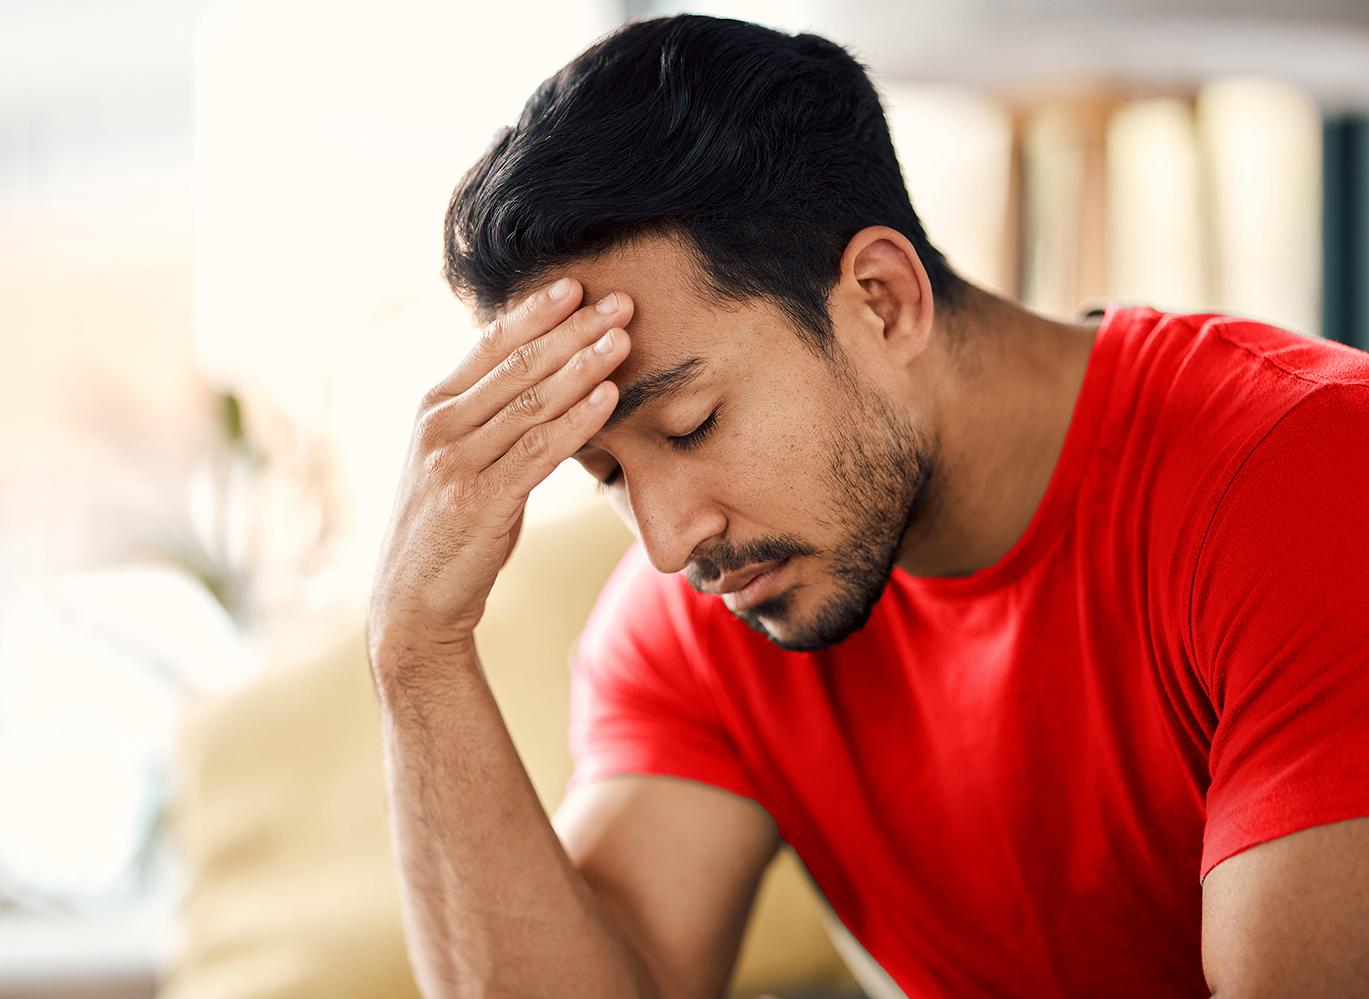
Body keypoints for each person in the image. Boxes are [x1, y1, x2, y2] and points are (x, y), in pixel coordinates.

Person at [368, 14, 1369, 999]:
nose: (671, 545)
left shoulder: (1309, 478)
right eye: (608, 474)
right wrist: (415, 649)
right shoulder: (705, 615)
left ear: (883, 299)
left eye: (689, 425)